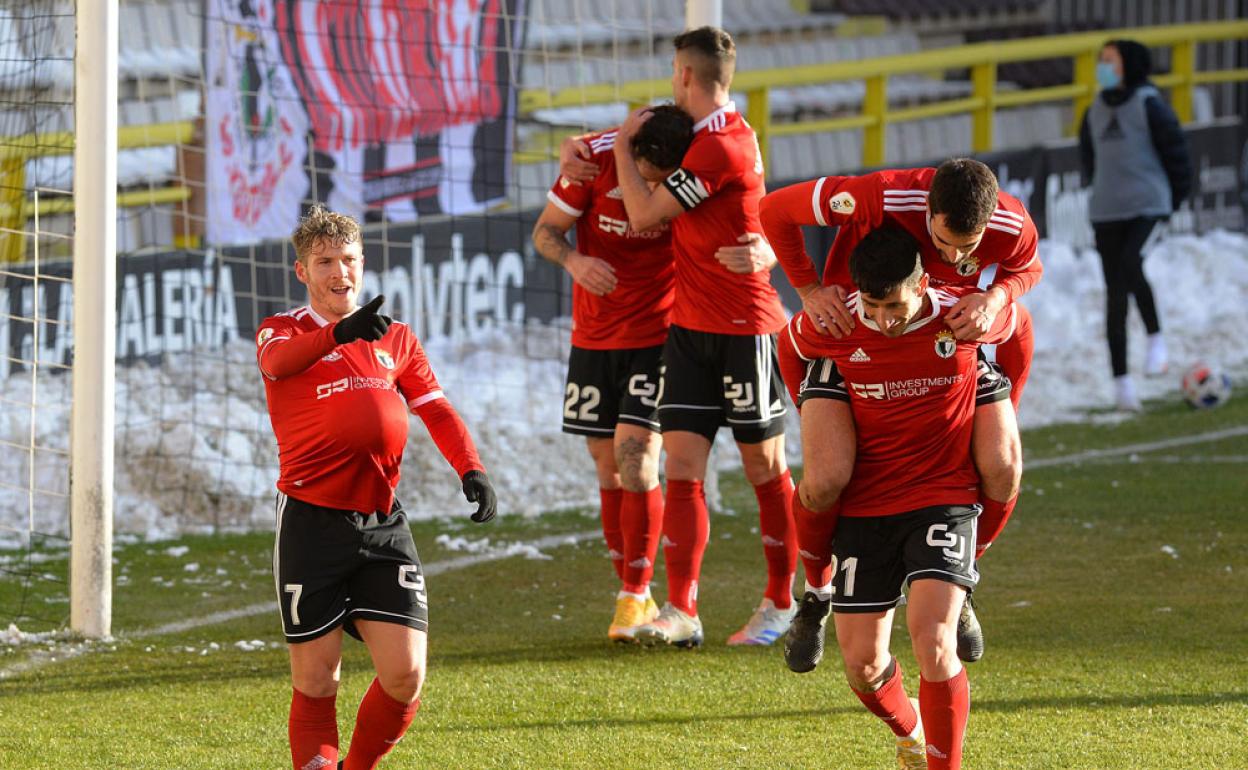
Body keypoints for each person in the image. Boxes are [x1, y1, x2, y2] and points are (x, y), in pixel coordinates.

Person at [564, 26, 797, 648]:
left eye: (673, 72)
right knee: (682, 466)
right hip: (688, 331)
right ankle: (682, 609)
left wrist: (614, 154)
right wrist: (580, 148)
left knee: (763, 465)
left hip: (744, 325)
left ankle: (781, 601)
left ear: (685, 75)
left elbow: (642, 211)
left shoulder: (722, 145)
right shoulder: (697, 136)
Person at [759, 159, 1031, 668]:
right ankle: (817, 589)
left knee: (1004, 466)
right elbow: (773, 211)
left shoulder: (1006, 230)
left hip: (945, 338)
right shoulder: (873, 197)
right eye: (945, 241)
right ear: (927, 210)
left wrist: (995, 301)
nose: (955, 256)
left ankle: (962, 573)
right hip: (846, 339)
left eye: (968, 249)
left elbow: (1023, 302)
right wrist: (811, 292)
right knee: (823, 480)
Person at [257, 205, 497, 770]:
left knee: (406, 675)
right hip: (311, 523)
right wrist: (339, 333)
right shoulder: (281, 329)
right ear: (302, 271)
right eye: (324, 262)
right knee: (318, 681)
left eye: (348, 260)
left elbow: (435, 409)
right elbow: (280, 361)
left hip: (381, 523)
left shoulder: (397, 339)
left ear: (362, 264)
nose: (339, 272)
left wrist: (471, 467)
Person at [786, 227, 1018, 770]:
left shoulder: (959, 318)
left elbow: (1019, 329)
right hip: (867, 508)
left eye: (895, 304)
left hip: (943, 497)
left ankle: (945, 764)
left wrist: (1008, 379)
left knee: (933, 641)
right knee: (863, 667)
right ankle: (911, 731)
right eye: (873, 304)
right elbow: (790, 348)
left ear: (921, 285)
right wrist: (813, 406)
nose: (885, 318)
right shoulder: (834, 325)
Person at [531, 105, 694, 642]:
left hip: (660, 335)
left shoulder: (695, 167)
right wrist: (576, 263)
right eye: (646, 177)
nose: (651, 190)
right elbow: (546, 233)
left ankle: (631, 596)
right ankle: (635, 589)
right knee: (606, 466)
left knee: (637, 458)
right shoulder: (592, 161)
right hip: (595, 337)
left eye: (660, 182)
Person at [1079, 39, 1192, 412]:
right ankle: (1122, 383)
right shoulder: (1093, 110)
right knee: (1114, 296)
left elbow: (1176, 153)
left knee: (1132, 262)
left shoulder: (1150, 105)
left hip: (1148, 206)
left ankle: (1156, 338)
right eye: (1101, 61)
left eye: (1109, 60)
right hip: (1107, 212)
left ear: (1129, 64)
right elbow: (1089, 160)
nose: (1103, 67)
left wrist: (1171, 202)